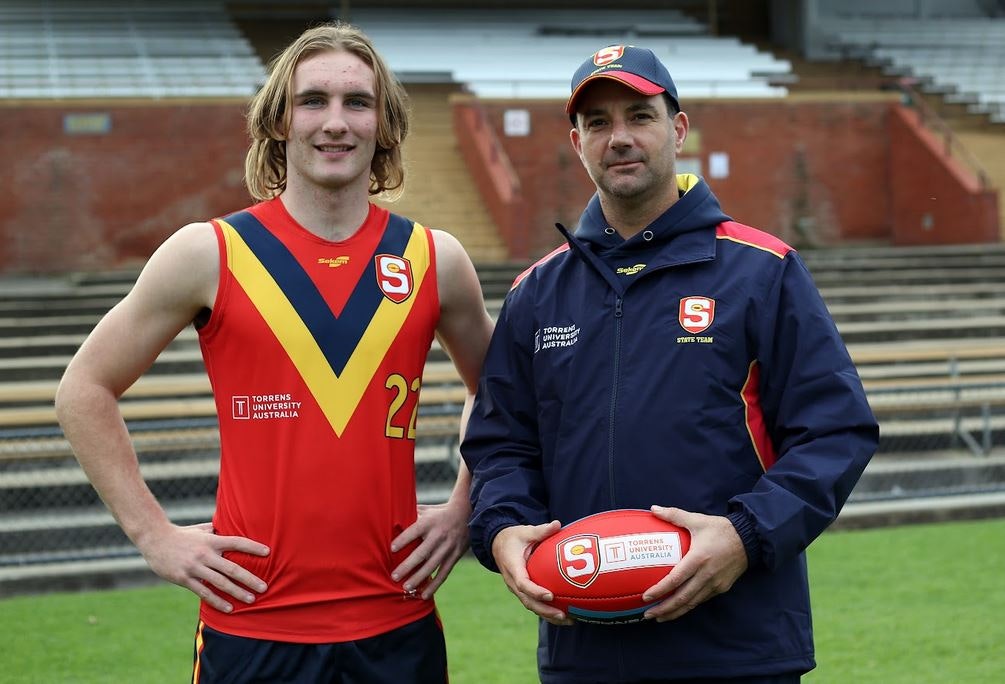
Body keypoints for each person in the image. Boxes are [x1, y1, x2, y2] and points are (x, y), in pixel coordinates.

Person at [55, 22, 494, 683]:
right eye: (312, 100)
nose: (334, 123)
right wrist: (154, 535)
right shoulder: (207, 252)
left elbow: (499, 391)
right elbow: (83, 389)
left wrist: (464, 505)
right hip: (251, 624)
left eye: (357, 102)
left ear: (386, 124)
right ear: (278, 120)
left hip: (397, 623)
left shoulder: (435, 259)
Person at [461, 44, 879, 683]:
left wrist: (746, 535)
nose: (619, 137)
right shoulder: (535, 294)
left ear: (677, 129)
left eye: (639, 115)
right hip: (586, 652)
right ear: (576, 142)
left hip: (738, 648)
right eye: (598, 123)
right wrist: (503, 531)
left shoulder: (762, 270)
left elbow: (835, 431)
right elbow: (501, 447)